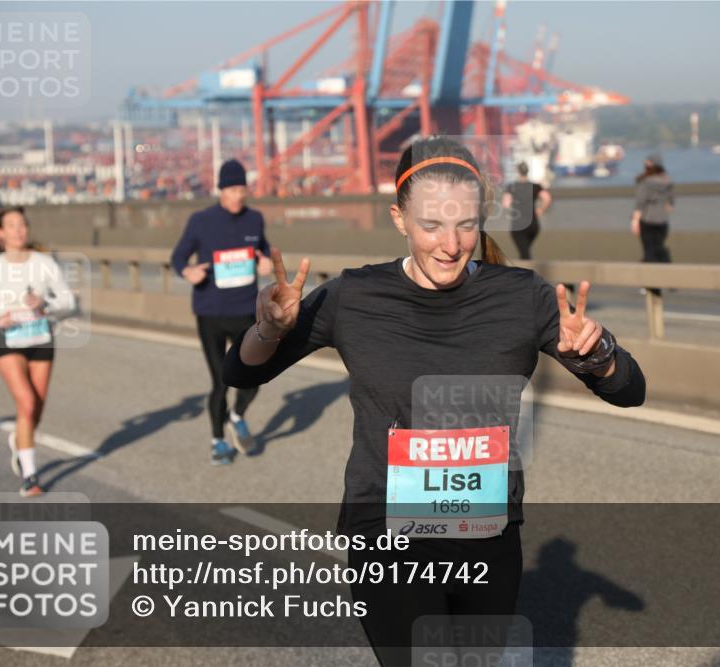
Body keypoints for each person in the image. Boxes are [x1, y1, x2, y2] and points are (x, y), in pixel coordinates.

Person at [223, 137, 646, 665]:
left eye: (465, 225)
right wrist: (268, 329)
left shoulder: (523, 296)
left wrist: (598, 351)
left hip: (488, 531)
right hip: (385, 526)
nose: (451, 244)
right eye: (431, 227)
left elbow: (630, 391)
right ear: (399, 219)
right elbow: (240, 370)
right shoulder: (353, 297)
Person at [171, 158, 273, 465]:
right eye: (231, 189)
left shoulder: (255, 220)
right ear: (221, 191)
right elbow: (177, 258)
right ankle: (217, 442)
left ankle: (236, 414)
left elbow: (263, 252)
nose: (238, 195)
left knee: (254, 377)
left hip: (245, 311)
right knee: (220, 382)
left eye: (242, 188)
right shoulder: (201, 221)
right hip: (211, 314)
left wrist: (266, 261)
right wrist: (188, 272)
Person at [0, 207, 76, 497]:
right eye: (11, 226)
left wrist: (44, 304)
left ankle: (19, 442)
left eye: (22, 225)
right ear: (1, 232)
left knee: (37, 408)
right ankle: (30, 476)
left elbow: (67, 300)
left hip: (40, 336)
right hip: (7, 338)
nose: (18, 231)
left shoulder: (44, 263)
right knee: (27, 403)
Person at [502, 162, 551, 260]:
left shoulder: (512, 186)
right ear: (527, 171)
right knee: (525, 250)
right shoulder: (535, 186)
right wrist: (541, 210)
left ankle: (527, 271)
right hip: (533, 226)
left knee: (524, 253)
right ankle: (527, 269)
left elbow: (506, 203)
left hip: (518, 226)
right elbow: (547, 198)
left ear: (518, 171)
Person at [631, 153, 674, 264]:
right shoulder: (667, 181)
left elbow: (640, 202)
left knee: (648, 250)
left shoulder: (646, 182)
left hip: (648, 219)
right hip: (662, 221)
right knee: (658, 247)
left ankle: (649, 273)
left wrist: (635, 221)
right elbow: (671, 202)